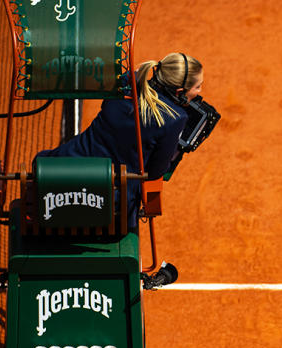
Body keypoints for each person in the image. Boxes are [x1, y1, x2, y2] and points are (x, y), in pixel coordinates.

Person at [35, 52, 204, 229]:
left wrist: (130, 77)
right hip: (109, 211)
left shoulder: (123, 85)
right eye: (198, 87)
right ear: (180, 93)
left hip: (56, 176)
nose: (199, 92)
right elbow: (155, 172)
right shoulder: (175, 118)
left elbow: (113, 104)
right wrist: (178, 150)